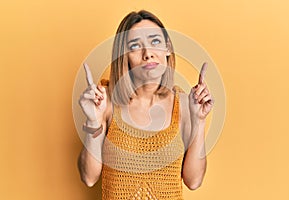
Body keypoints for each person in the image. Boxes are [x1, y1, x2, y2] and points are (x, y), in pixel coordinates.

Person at [78, 10, 214, 200]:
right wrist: (93, 120)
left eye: (155, 42)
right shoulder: (106, 101)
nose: (147, 54)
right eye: (135, 46)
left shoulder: (183, 104)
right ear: (125, 56)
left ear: (167, 49)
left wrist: (199, 121)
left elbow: (194, 181)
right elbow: (89, 178)